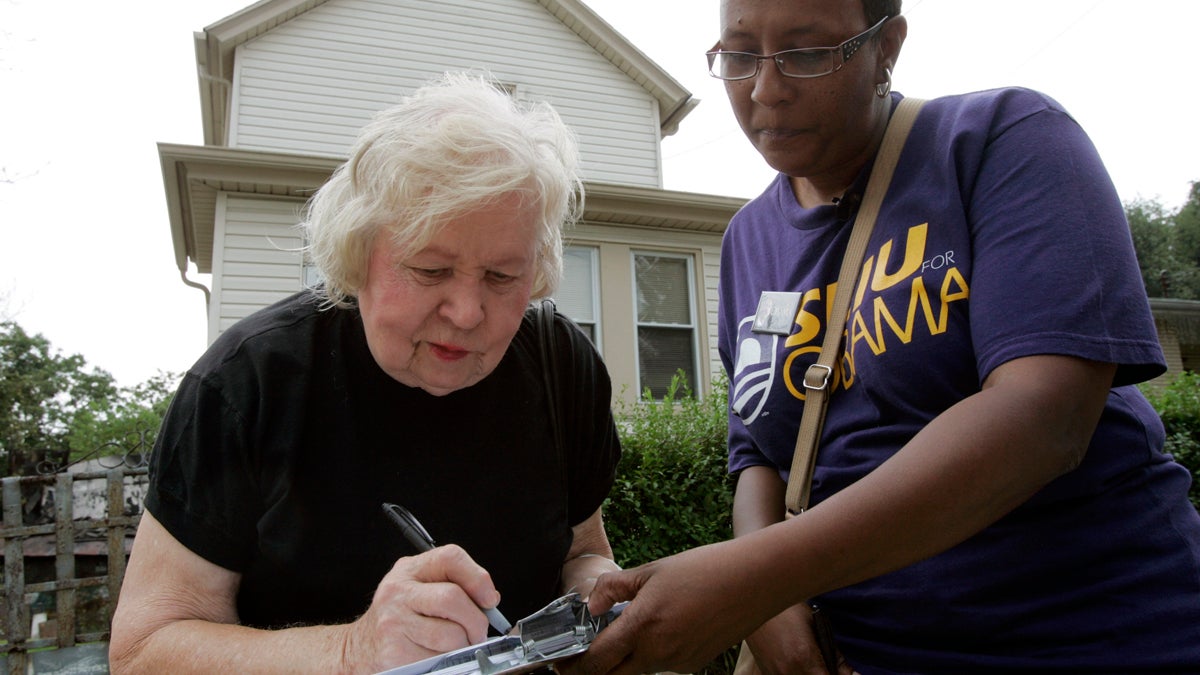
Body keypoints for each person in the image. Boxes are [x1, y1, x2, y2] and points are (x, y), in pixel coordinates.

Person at [564, 1, 1200, 674]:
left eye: (807, 53)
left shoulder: (1002, 140)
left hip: (1095, 640)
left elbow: (1046, 415)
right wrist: (771, 609)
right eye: (741, 54)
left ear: (887, 45)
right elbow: (758, 453)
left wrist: (753, 580)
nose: (766, 88)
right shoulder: (748, 239)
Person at [109, 72, 622, 674]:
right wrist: (353, 651)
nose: (466, 312)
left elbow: (584, 553)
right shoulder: (246, 385)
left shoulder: (562, 366)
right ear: (357, 255)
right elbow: (143, 651)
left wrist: (600, 604)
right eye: (430, 270)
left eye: (502, 277)